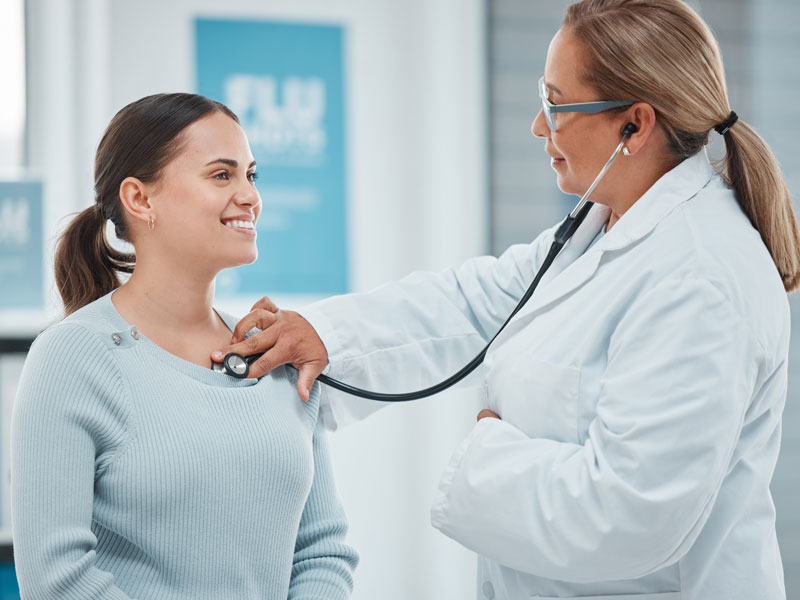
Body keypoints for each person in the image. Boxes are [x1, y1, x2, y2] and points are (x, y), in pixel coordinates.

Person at [213, 1, 800, 599]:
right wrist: (323, 333)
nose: (539, 126)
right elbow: (474, 303)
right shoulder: (605, 226)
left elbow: (631, 514)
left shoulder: (700, 277)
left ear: (636, 125)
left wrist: (489, 455)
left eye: (555, 103)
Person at [11, 93, 358, 599]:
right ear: (140, 199)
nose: (249, 196)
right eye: (222, 175)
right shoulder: (72, 357)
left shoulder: (273, 350)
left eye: (251, 175)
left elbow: (322, 550)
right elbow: (57, 578)